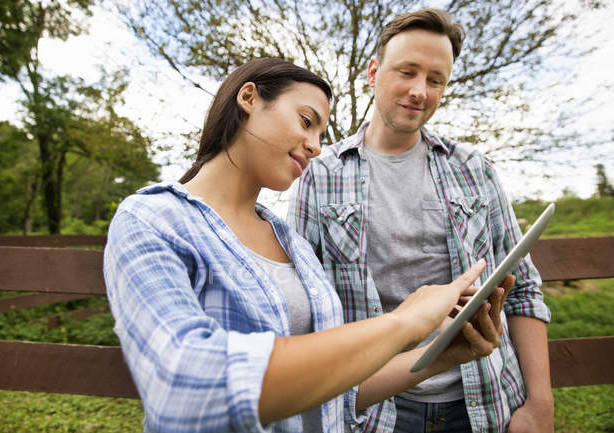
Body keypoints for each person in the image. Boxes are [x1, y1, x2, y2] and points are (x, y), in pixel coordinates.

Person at [103, 57, 513, 433]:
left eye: (321, 133)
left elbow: (336, 391)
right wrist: (403, 322)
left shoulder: (292, 243)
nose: (316, 146)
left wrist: (442, 356)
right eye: (306, 121)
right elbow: (184, 385)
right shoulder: (153, 220)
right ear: (249, 97)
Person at [288, 8, 554, 433]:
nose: (419, 91)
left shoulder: (474, 168)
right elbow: (306, 308)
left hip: (484, 400)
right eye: (406, 72)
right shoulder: (321, 175)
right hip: (375, 410)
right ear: (374, 72)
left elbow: (523, 289)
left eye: (435, 79)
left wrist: (540, 405)